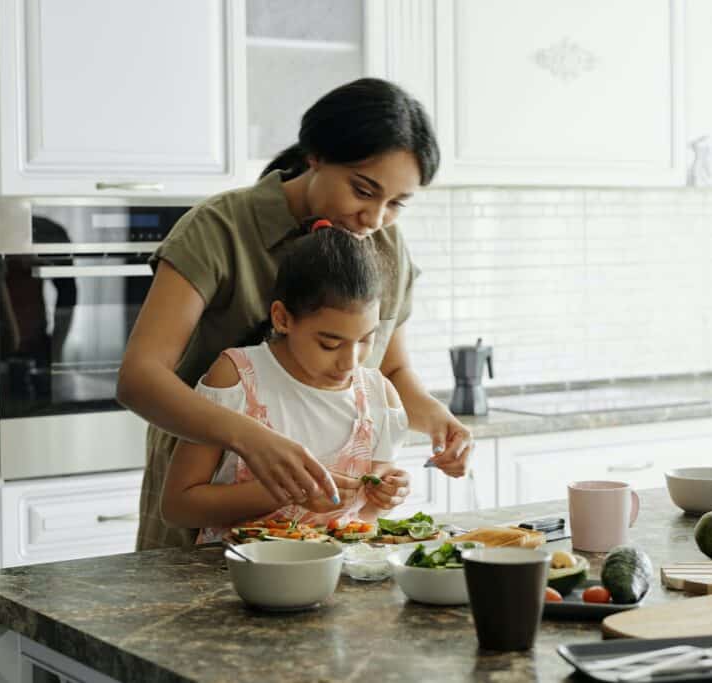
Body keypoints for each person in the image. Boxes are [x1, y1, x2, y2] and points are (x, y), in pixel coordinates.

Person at [117, 77, 474, 550]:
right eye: (363, 190)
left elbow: (390, 369)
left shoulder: (384, 243)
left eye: (396, 204)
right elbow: (139, 377)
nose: (375, 218)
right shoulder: (219, 229)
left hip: (326, 535)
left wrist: (437, 420)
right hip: (206, 510)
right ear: (316, 156)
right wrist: (250, 439)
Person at [162, 223, 409, 541]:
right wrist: (286, 491)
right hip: (234, 578)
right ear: (282, 318)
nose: (350, 362)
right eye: (330, 343)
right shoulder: (237, 377)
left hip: (338, 580)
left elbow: (367, 516)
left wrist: (387, 494)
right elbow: (178, 507)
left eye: (366, 340)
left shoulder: (379, 396)